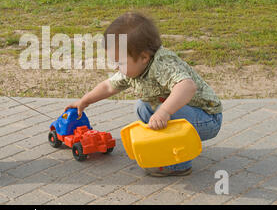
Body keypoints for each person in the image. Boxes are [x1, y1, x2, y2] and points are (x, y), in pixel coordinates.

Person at [65, 12, 223, 176]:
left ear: (144, 57)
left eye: (119, 62)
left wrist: (164, 112)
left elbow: (187, 86)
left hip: (207, 119)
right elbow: (108, 86)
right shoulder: (133, 68)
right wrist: (85, 101)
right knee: (143, 106)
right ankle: (162, 146)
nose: (115, 67)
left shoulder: (163, 64)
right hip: (185, 117)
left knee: (163, 108)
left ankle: (178, 164)